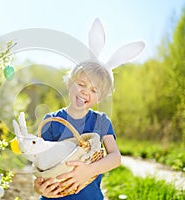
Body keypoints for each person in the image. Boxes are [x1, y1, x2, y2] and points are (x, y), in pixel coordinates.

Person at [33, 61, 121, 200]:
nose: (85, 91)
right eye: (81, 84)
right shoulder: (51, 121)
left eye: (94, 90)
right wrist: (38, 187)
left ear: (100, 97)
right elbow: (40, 162)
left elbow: (115, 157)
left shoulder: (101, 121)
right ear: (69, 83)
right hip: (55, 196)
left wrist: (88, 171)